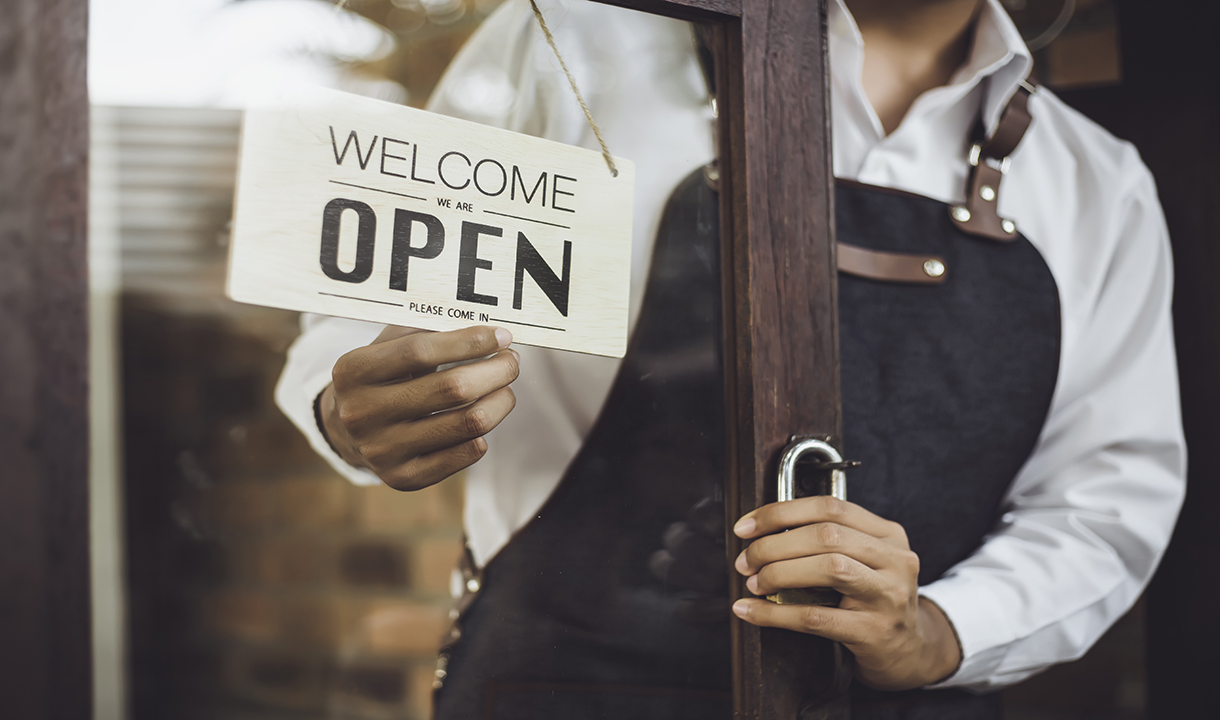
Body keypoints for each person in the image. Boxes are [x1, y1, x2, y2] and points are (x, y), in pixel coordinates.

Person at [276, 0, 1186, 717]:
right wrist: (351, 408)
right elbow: (353, 328)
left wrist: (938, 631)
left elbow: (1104, 503)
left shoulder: (1098, 184)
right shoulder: (574, 41)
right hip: (557, 691)